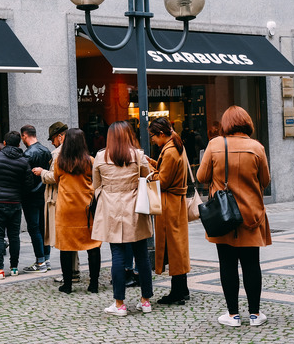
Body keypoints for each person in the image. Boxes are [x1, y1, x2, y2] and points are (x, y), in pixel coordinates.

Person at [197, 105, 271, 327]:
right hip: (251, 214)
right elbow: (265, 181)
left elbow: (202, 176)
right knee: (251, 264)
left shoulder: (215, 145)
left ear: (226, 124)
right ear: (247, 122)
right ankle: (255, 315)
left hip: (224, 214)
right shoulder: (257, 147)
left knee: (227, 264)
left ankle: (233, 315)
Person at [91, 121, 153, 315]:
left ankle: (119, 304)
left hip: (111, 208)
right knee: (141, 255)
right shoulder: (138, 155)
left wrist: (107, 193)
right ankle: (145, 301)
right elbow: (147, 178)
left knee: (117, 255)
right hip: (136, 207)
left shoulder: (100, 156)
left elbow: (95, 184)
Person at [44, 128, 101, 294]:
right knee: (93, 246)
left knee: (66, 247)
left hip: (66, 209)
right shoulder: (90, 161)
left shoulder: (60, 162)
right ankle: (94, 284)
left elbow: (55, 178)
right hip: (85, 209)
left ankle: (67, 284)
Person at [147, 117, 191, 305]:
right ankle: (182, 289)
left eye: (153, 136)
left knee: (174, 248)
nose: (153, 140)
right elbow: (167, 172)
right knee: (178, 247)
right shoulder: (175, 146)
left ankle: (177, 292)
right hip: (175, 203)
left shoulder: (171, 151)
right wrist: (153, 162)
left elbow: (162, 182)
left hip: (170, 204)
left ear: (162, 134)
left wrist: (148, 169)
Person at [0, 131, 33, 279]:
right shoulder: (23, 161)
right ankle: (14, 267)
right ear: (18, 144)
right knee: (14, 236)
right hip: (15, 202)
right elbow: (28, 183)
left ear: (4, 143)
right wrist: (19, 194)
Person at [34, 122, 80, 284]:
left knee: (62, 237)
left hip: (58, 198)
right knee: (71, 237)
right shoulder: (80, 152)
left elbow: (55, 176)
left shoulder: (58, 153)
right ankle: (74, 270)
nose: (52, 143)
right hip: (75, 198)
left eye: (53, 139)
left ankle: (69, 274)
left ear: (60, 137)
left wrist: (42, 172)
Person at [19, 125, 53, 273]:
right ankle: (46, 258)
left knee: (34, 228)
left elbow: (25, 179)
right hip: (44, 193)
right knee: (43, 228)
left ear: (24, 136)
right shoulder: (46, 151)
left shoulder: (27, 154)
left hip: (31, 196)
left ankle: (40, 262)